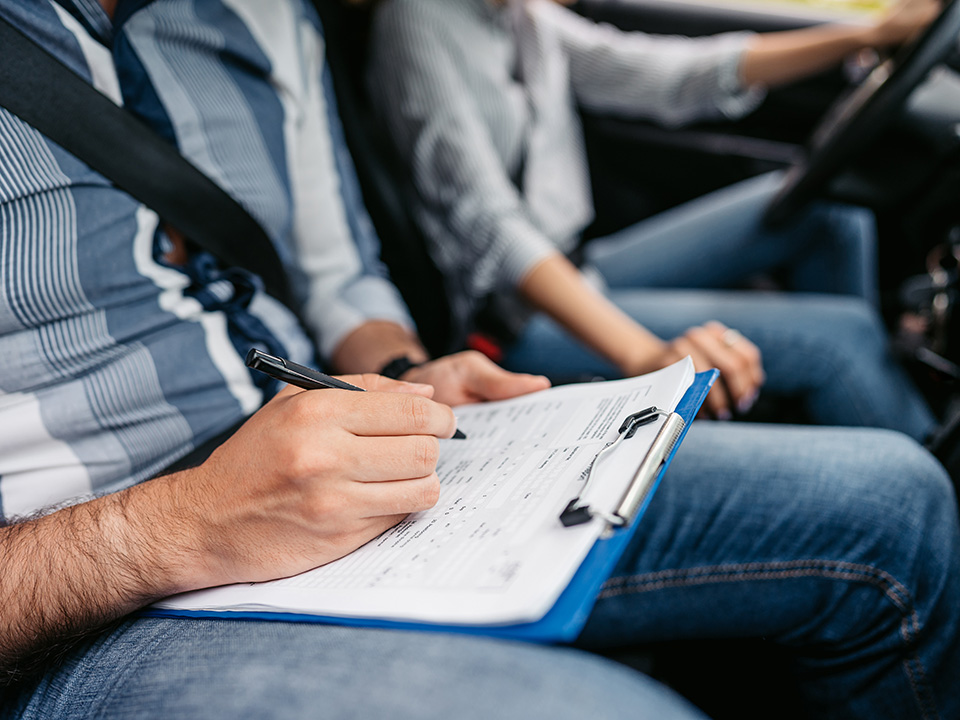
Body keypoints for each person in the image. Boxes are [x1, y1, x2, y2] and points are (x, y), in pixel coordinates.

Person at [1, 1, 959, 719]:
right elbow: (486, 225)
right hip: (95, 593)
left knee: (896, 497)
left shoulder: (266, 15)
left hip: (339, 447)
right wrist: (175, 524)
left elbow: (341, 277)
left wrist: (404, 369)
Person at [366, 0, 941, 433]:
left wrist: (867, 35)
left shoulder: (521, 15)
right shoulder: (417, 21)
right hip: (516, 315)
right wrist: (646, 357)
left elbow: (668, 73)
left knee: (829, 210)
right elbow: (490, 227)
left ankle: (840, 419)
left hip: (585, 260)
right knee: (842, 341)